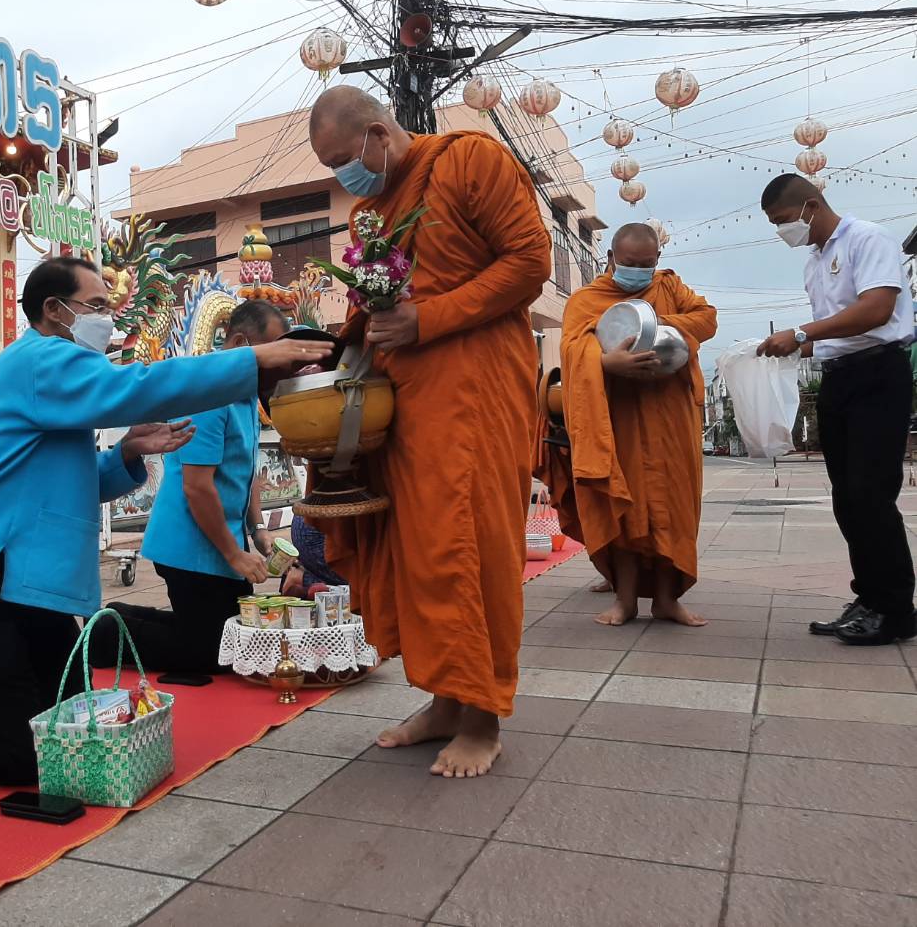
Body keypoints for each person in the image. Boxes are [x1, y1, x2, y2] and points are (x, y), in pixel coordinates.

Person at [0, 259, 329, 783]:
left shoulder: (52, 376)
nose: (107, 318)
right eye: (97, 305)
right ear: (54, 310)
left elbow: (67, 486)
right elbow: (138, 386)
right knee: (22, 756)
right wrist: (251, 361)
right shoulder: (41, 359)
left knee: (70, 729)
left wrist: (126, 453)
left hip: (26, 585)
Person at [307, 86, 552, 777]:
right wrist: (335, 352)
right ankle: (445, 702)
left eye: (342, 159)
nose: (342, 176)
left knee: (468, 547)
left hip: (473, 393)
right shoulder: (369, 214)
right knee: (420, 554)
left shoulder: (471, 161)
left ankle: (482, 718)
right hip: (404, 408)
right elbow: (375, 307)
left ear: (378, 135)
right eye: (329, 167)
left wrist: (429, 318)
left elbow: (529, 264)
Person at [758, 174, 916, 645]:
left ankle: (895, 610)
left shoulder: (868, 239)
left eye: (783, 220)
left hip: (878, 376)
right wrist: (780, 348)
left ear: (810, 205)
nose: (782, 231)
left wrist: (800, 333)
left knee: (872, 494)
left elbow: (876, 311)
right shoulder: (814, 262)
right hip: (839, 378)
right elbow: (835, 335)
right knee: (847, 498)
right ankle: (868, 598)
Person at [91, 300, 289, 673]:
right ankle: (104, 634)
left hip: (219, 541)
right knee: (212, 652)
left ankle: (119, 616)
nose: (280, 363)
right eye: (273, 352)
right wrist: (235, 555)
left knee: (234, 634)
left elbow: (245, 472)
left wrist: (258, 531)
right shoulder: (209, 395)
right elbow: (197, 488)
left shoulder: (245, 395)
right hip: (189, 545)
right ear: (240, 344)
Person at [549, 222, 718, 627]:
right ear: (610, 258)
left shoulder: (669, 287)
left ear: (657, 259)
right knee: (623, 507)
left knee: (672, 507)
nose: (638, 272)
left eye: (646, 264)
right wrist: (606, 362)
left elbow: (706, 319)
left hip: (669, 414)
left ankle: (667, 600)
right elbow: (572, 350)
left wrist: (655, 325)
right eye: (629, 263)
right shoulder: (587, 300)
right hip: (617, 417)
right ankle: (624, 600)